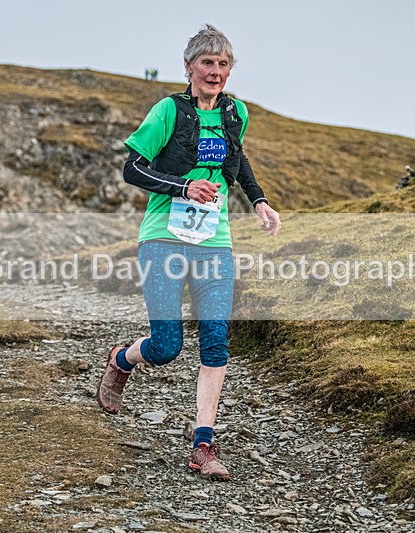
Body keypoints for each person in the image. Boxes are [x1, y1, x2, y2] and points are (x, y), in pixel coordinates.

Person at [97, 24, 281, 481]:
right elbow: (132, 168)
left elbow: (237, 162)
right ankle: (121, 360)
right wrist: (183, 185)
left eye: (223, 64)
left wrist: (258, 200)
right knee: (167, 346)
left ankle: (203, 445)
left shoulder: (237, 113)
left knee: (216, 339)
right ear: (189, 67)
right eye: (207, 63)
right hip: (163, 237)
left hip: (214, 241)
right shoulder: (168, 111)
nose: (215, 72)